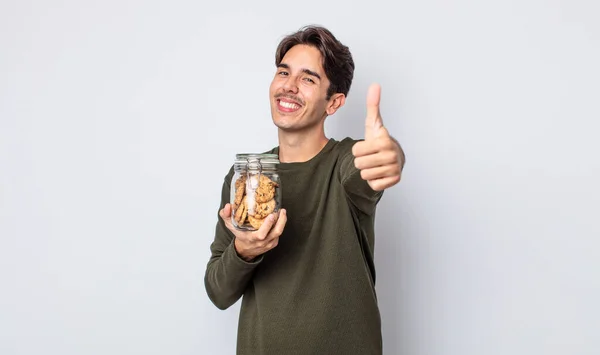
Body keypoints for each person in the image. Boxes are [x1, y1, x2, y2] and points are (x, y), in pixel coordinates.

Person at [204, 25, 405, 355]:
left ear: (334, 103)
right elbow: (219, 290)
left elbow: (369, 166)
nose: (289, 86)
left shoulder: (344, 164)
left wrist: (389, 155)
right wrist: (244, 251)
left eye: (308, 79)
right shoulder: (248, 177)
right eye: (284, 72)